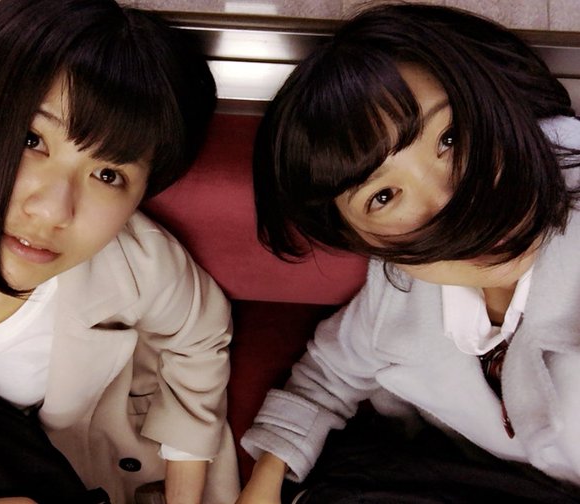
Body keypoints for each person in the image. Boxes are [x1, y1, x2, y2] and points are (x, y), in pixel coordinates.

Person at [238, 3, 580, 503]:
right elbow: (329, 373)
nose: (456, 206)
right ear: (361, 241)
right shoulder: (398, 287)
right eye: (383, 196)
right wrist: (265, 478)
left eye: (450, 138)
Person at [0, 0, 240, 503]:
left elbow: (200, 337)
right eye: (30, 139)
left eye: (108, 174)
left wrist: (182, 494)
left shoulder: (138, 264)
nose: (53, 210)